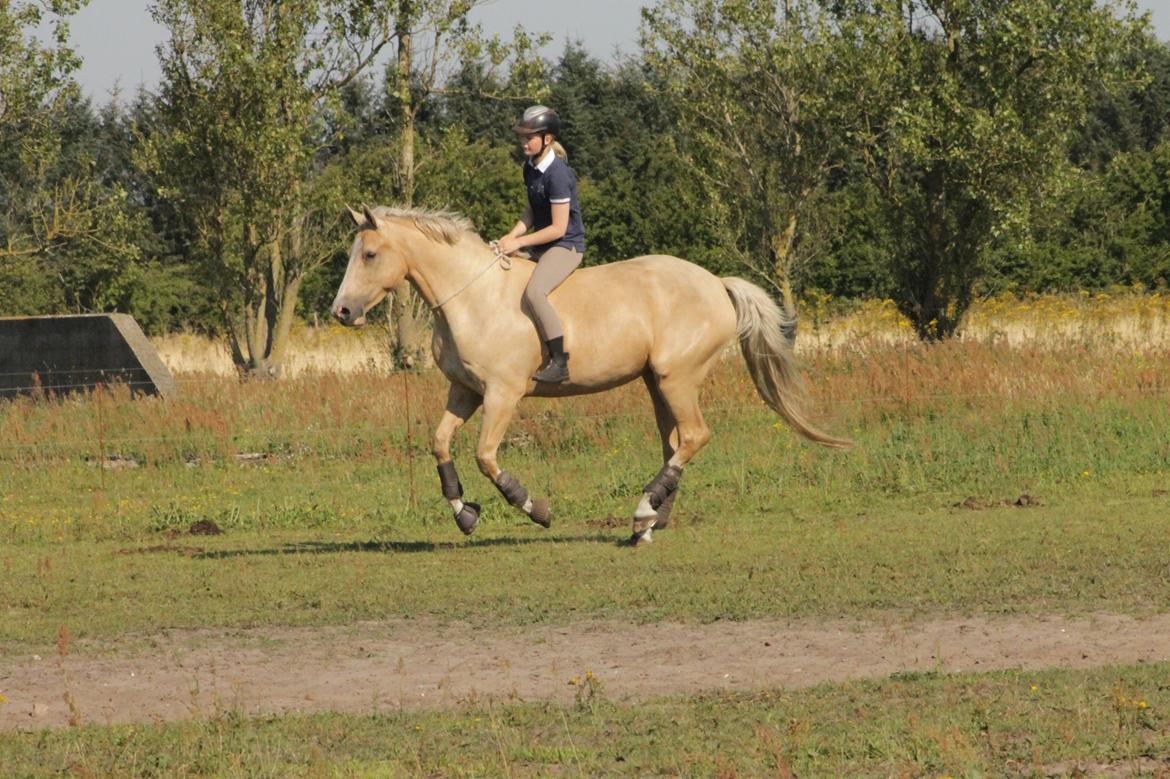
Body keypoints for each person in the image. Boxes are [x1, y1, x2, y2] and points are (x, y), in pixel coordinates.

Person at [495, 105, 586, 384]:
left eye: (529, 137)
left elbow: (558, 228)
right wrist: (509, 238)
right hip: (543, 245)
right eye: (521, 137)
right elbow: (531, 212)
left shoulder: (558, 175)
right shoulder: (530, 167)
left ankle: (560, 362)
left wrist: (519, 242)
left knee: (534, 292)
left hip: (566, 245)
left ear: (547, 139)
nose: (523, 142)